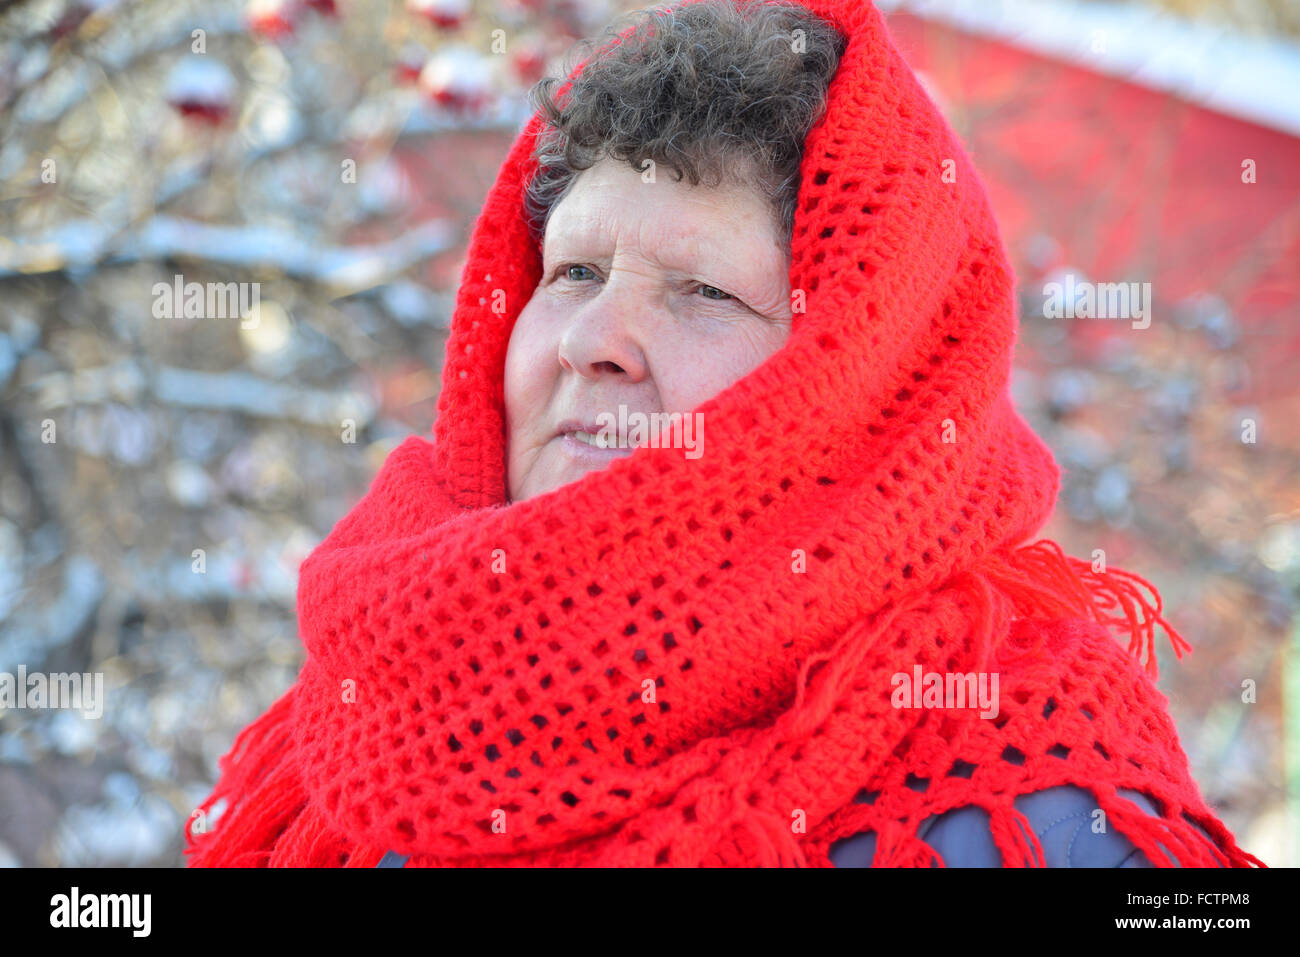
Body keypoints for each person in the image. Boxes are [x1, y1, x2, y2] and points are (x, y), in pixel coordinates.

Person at [186, 0, 1265, 868]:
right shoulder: (370, 713)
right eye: (573, 273)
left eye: (702, 290)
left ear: (868, 384)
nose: (594, 342)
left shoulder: (1035, 812)